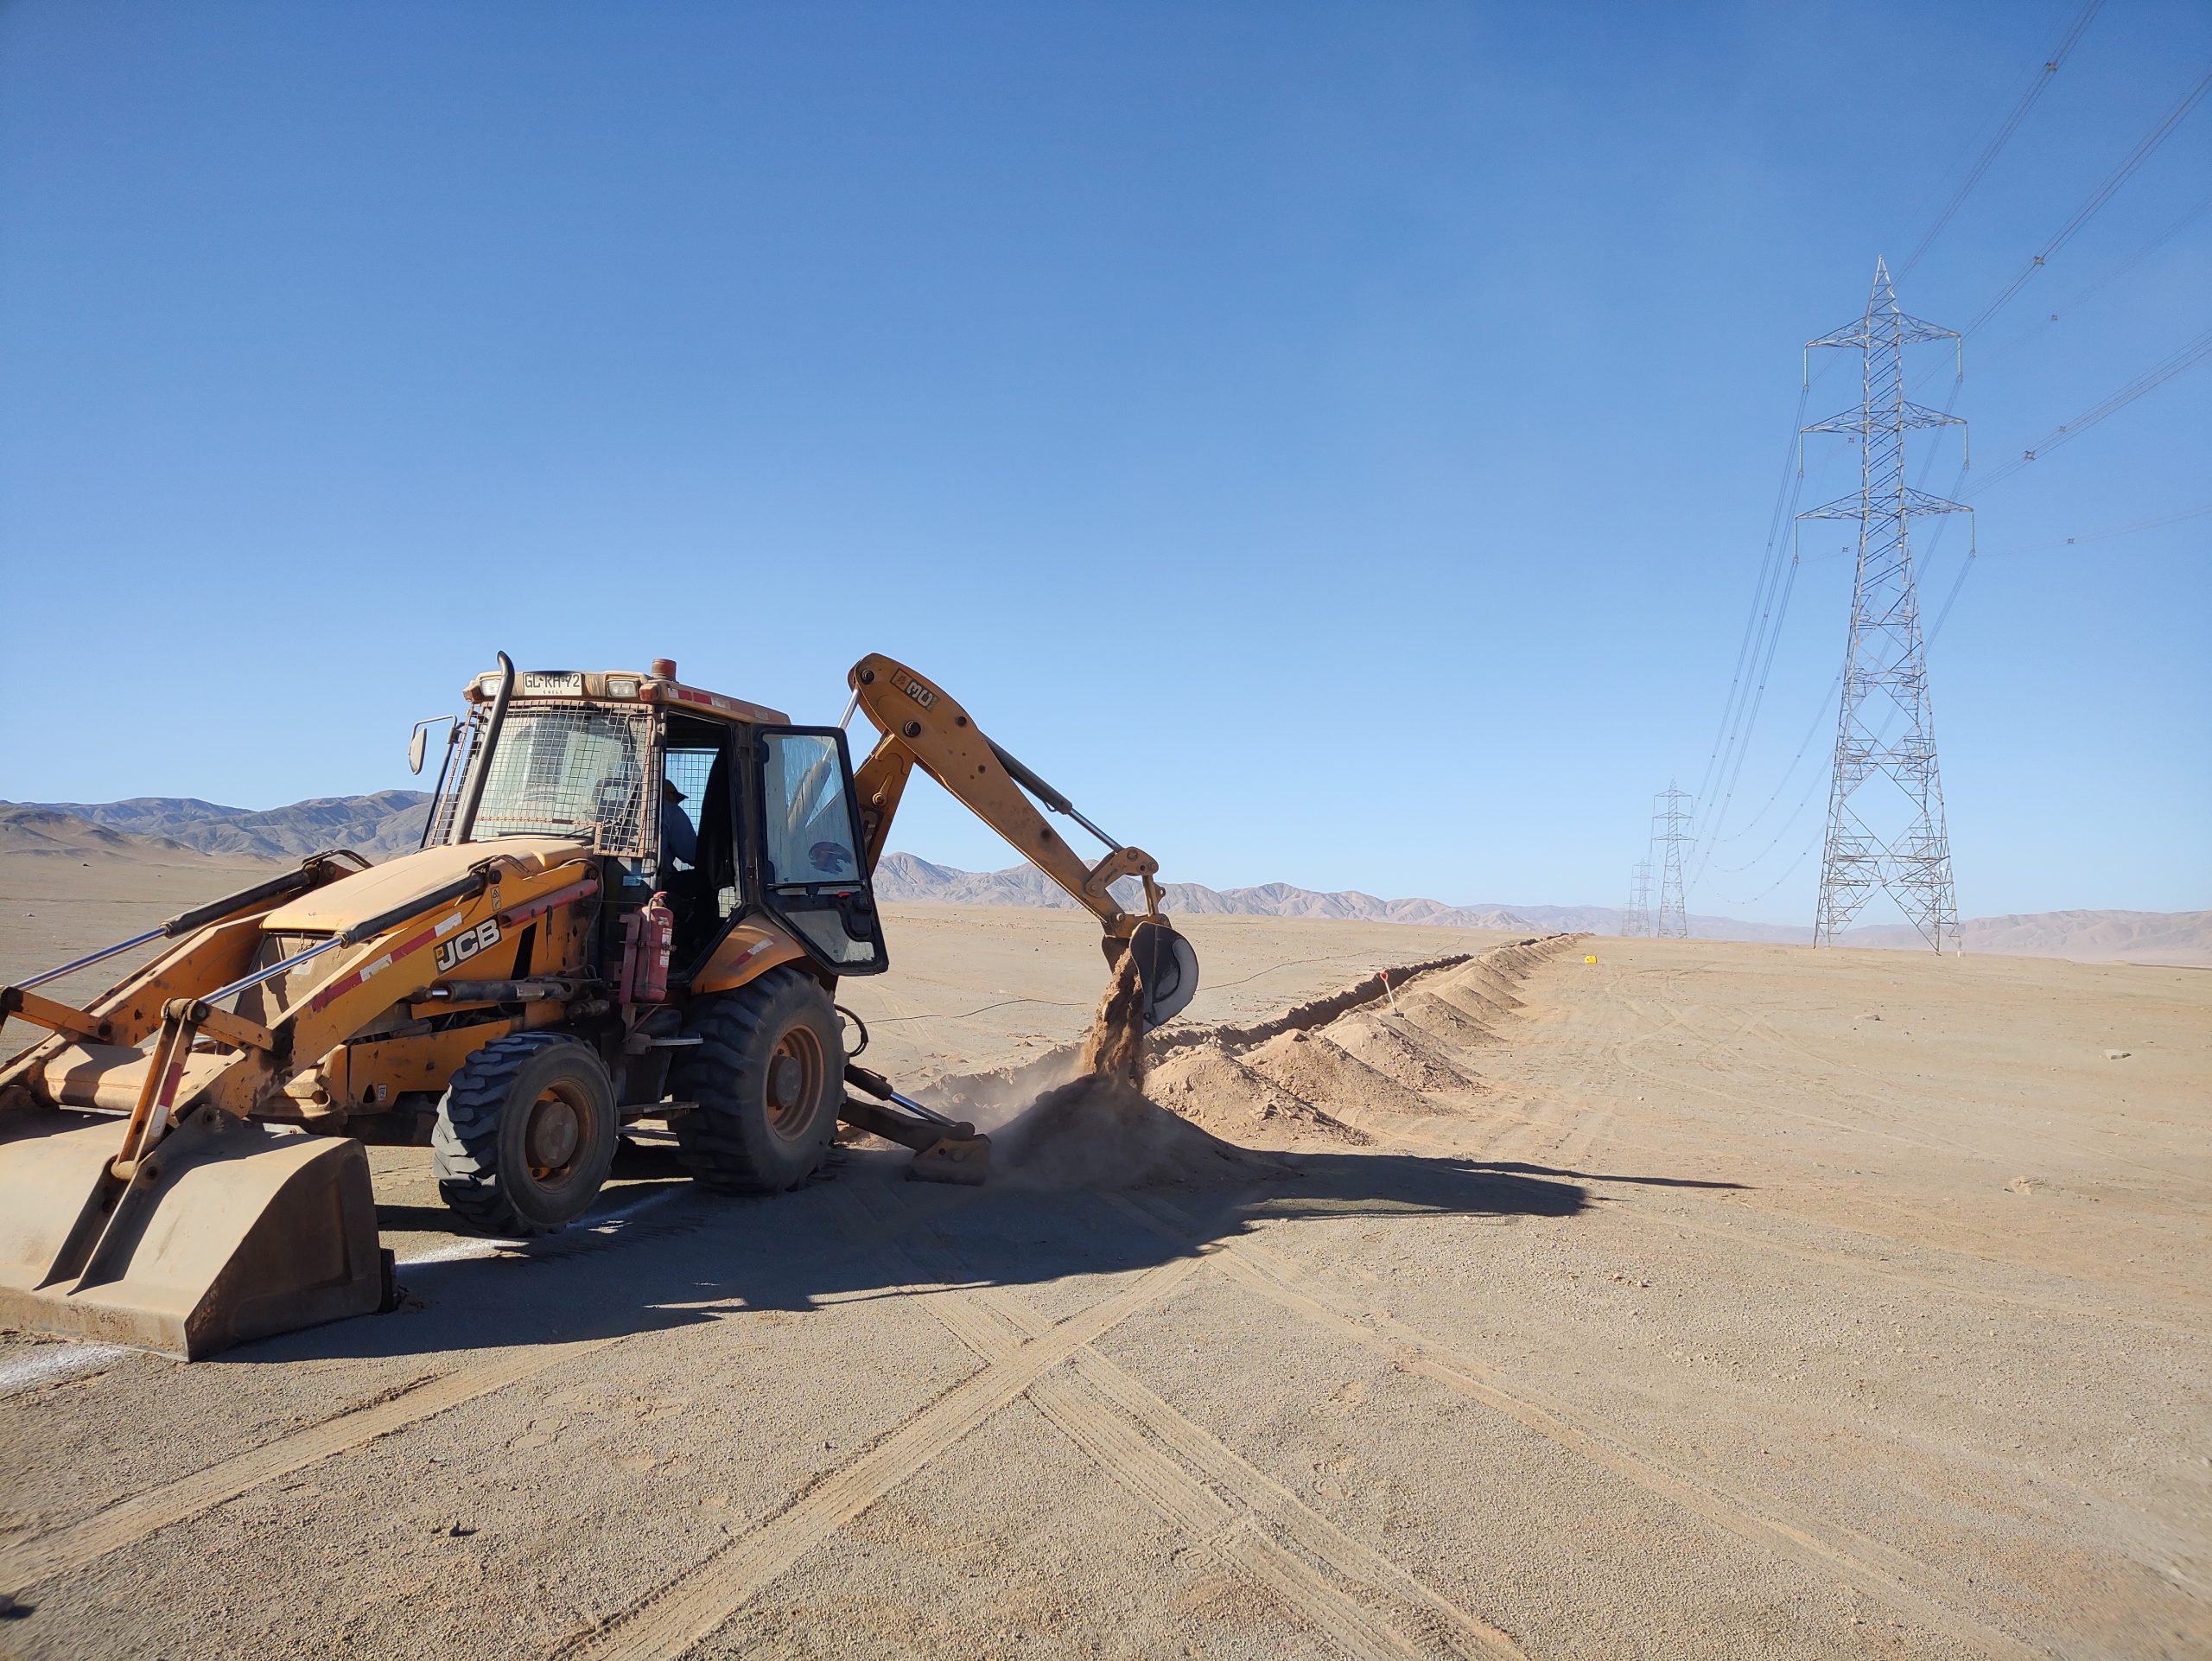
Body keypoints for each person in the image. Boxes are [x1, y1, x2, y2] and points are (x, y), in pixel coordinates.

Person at [659, 776, 696, 873]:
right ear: (669, 795)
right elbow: (691, 853)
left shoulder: (635, 812)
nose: (676, 804)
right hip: (659, 874)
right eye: (676, 800)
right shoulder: (671, 810)